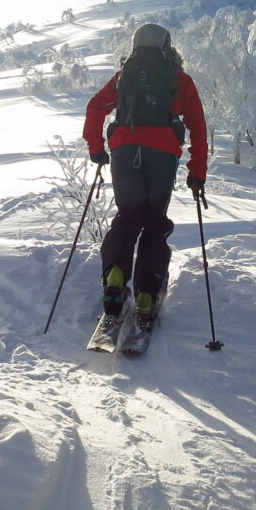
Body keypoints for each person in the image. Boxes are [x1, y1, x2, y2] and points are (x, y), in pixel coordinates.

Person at [83, 22, 208, 327]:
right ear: (167, 46)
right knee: (154, 222)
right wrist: (198, 172)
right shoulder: (179, 80)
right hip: (161, 155)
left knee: (127, 218)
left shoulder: (123, 77)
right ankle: (146, 295)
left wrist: (97, 148)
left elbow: (95, 107)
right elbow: (198, 127)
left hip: (124, 151)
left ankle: (115, 276)